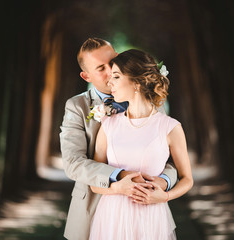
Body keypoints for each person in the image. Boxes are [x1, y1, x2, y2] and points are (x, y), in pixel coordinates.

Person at [59, 38, 178, 240]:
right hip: (95, 206)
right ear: (85, 75)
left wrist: (163, 182)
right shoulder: (77, 106)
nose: (111, 70)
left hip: (146, 207)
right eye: (100, 68)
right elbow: (73, 163)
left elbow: (170, 157)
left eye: (113, 60)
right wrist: (121, 177)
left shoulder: (151, 103)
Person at [89, 49, 194, 239]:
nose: (109, 82)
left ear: (136, 82)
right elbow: (94, 183)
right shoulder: (108, 125)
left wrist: (165, 196)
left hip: (151, 217)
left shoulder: (170, 127)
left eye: (116, 76)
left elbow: (187, 179)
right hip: (111, 217)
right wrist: (117, 188)